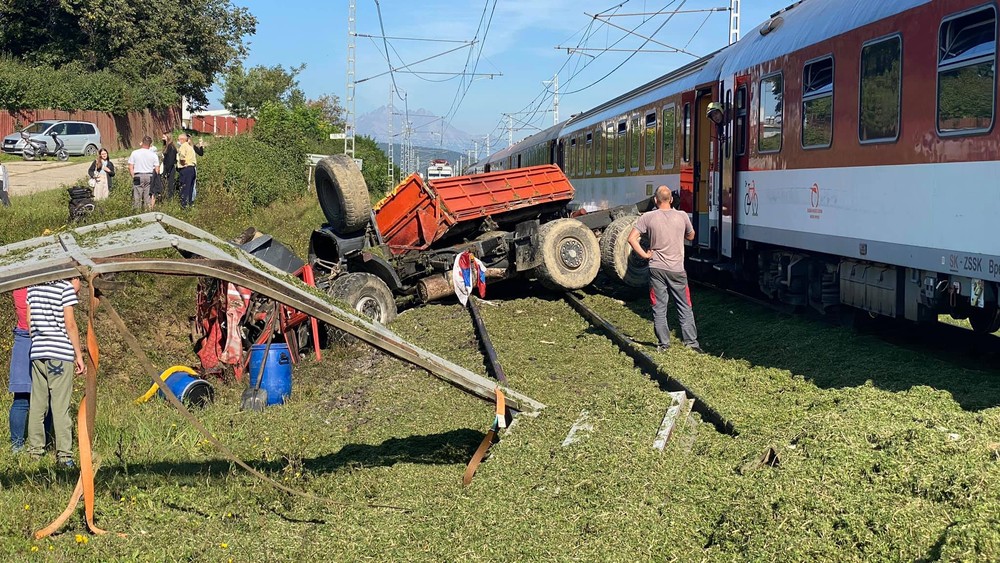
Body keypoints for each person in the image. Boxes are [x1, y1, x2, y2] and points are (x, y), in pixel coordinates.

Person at [628, 186, 703, 353]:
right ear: (670, 200)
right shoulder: (682, 216)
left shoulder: (647, 217)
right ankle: (691, 344)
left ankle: (664, 345)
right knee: (684, 306)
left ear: (655, 200)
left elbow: (631, 239)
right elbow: (691, 236)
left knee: (659, 307)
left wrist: (645, 256)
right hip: (677, 270)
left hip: (656, 269)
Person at [26, 278, 84, 467]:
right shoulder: (64, 288)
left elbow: (29, 321)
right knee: (60, 406)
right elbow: (70, 324)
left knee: (37, 404)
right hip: (60, 353)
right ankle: (65, 456)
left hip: (37, 352)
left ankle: (35, 452)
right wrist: (78, 355)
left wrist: (38, 341)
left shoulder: (32, 287)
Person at [8, 288, 31, 452]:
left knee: (21, 397)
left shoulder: (20, 283)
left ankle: (17, 445)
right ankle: (45, 442)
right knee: (50, 398)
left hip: (23, 336)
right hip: (34, 335)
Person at [127, 136, 160, 211]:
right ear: (150, 144)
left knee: (137, 196)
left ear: (142, 143)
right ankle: (147, 211)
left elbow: (130, 166)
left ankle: (137, 212)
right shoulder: (153, 155)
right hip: (149, 176)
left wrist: (133, 176)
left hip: (138, 175)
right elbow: (157, 169)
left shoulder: (135, 153)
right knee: (148, 196)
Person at [176, 133, 198, 208]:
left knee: (184, 187)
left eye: (178, 139)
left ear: (182, 140)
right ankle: (190, 204)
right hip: (192, 169)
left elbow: (182, 157)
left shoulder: (183, 146)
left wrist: (182, 163)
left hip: (186, 169)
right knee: (190, 188)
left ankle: (184, 205)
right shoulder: (190, 147)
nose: (178, 141)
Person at [161, 133, 177, 201]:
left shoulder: (171, 147)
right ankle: (165, 198)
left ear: (168, 137)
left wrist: (167, 171)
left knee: (170, 185)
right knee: (165, 185)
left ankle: (170, 199)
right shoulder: (167, 146)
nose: (162, 139)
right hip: (166, 167)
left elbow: (170, 160)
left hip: (169, 169)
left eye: (164, 137)